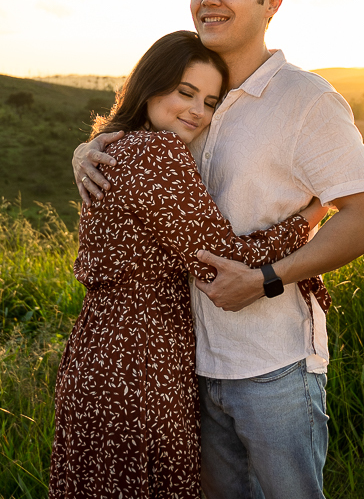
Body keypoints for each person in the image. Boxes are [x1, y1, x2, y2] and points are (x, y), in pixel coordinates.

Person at [74, 0, 364, 498]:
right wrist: (91, 146)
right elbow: (148, 193)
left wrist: (269, 277)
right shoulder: (193, 101)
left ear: (271, 4)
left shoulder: (306, 100)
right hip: (190, 363)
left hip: (272, 365)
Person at [49, 30, 327, 499]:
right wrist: (309, 217)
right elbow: (220, 258)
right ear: (151, 85)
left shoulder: (112, 148)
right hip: (142, 359)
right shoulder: (157, 152)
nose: (197, 111)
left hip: (97, 351)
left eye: (211, 101)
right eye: (185, 92)